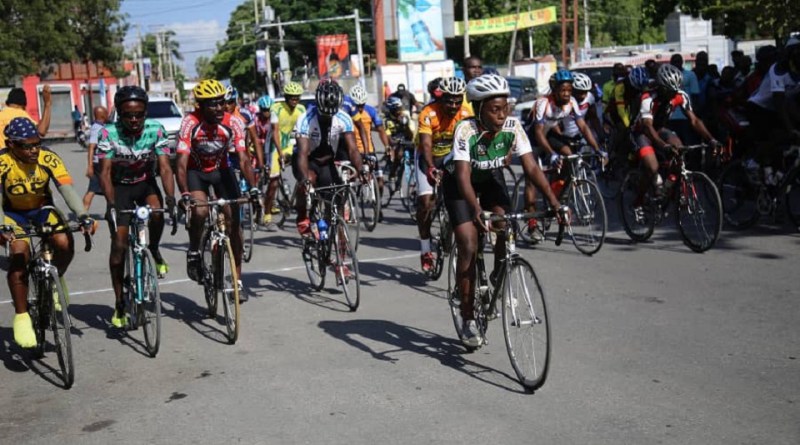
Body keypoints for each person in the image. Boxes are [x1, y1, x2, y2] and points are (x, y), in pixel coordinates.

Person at [443, 74, 562, 347]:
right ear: (478, 109)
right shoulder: (466, 130)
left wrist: (555, 204)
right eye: (494, 110)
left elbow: (532, 167)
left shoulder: (513, 126)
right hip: (460, 188)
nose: (502, 114)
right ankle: (467, 315)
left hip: (490, 180)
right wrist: (476, 211)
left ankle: (498, 276)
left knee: (505, 226)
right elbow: (462, 176)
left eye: (505, 107)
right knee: (469, 245)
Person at [0, 117, 95, 348]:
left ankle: (54, 278)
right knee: (20, 256)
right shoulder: (3, 161)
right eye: (27, 146)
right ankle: (22, 317)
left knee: (64, 243)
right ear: (11, 145)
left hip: (43, 209)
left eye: (37, 144)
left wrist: (83, 215)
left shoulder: (47, 157)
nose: (34, 150)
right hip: (13, 214)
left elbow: (66, 189)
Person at [98, 86, 176, 328]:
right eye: (128, 115)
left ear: (145, 112)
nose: (134, 120)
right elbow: (105, 172)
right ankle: (120, 301)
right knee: (119, 245)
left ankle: (153, 248)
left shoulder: (156, 129)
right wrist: (111, 205)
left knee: (157, 214)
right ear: (119, 114)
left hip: (145, 183)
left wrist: (171, 198)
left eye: (139, 114)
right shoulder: (108, 133)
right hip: (119, 187)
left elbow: (164, 167)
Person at [176, 79, 259, 297]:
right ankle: (194, 250)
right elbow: (181, 163)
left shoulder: (234, 122)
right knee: (201, 210)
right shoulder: (190, 122)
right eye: (212, 104)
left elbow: (243, 159)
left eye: (221, 102)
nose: (219, 108)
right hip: (196, 172)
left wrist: (253, 188)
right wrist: (185, 194)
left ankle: (237, 280)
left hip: (221, 171)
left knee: (235, 225)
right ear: (200, 106)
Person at [293, 80, 365, 277]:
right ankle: (303, 217)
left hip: (327, 162)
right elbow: (302, 154)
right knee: (306, 180)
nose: (328, 117)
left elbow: (352, 149)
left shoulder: (343, 117)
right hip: (307, 160)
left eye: (331, 113)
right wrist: (305, 181)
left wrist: (361, 170)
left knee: (337, 206)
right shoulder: (305, 119)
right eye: (325, 113)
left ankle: (340, 260)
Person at [527, 69, 603, 242]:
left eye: (570, 90)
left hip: (549, 133)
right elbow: (538, 133)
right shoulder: (543, 103)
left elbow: (583, 127)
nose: (567, 94)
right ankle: (531, 223)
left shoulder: (571, 103)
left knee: (570, 155)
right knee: (531, 178)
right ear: (554, 91)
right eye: (563, 91)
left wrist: (597, 148)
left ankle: (556, 190)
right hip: (533, 137)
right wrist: (552, 154)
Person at [631, 63, 719, 208]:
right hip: (641, 132)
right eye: (669, 90)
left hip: (659, 129)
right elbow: (647, 126)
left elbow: (694, 120)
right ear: (660, 86)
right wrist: (663, 145)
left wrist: (711, 139)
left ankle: (667, 187)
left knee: (680, 149)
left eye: (675, 90)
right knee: (653, 167)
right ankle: (638, 202)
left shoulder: (680, 95)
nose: (673, 94)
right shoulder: (647, 97)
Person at [416, 76, 472, 273]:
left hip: (451, 157)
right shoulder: (428, 112)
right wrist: (431, 167)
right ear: (442, 98)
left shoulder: (466, 112)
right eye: (449, 101)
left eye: (458, 101)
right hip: (428, 157)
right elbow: (426, 144)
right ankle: (425, 249)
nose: (454, 105)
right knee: (426, 203)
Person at [745, 36, 800, 181]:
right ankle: (754, 163)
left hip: (778, 108)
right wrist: (790, 128)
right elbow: (779, 101)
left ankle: (775, 175)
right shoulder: (778, 69)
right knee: (776, 136)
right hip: (758, 107)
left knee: (788, 141)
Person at [268, 82, 307, 225]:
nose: (295, 101)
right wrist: (280, 153)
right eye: (292, 98)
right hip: (276, 146)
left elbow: (305, 130)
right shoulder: (276, 109)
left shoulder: (302, 109)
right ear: (286, 97)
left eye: (297, 98)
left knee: (304, 173)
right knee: (273, 181)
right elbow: (275, 133)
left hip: (293, 145)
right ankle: (267, 211)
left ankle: (298, 199)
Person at [347, 84, 391, 192]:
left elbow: (380, 129)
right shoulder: (347, 112)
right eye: (358, 105)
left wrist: (387, 146)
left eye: (363, 104)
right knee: (352, 179)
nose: (360, 108)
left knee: (380, 183)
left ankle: (378, 208)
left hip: (369, 150)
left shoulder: (371, 111)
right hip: (354, 150)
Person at [225, 86, 265, 175]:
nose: (227, 106)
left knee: (251, 185)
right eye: (224, 103)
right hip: (225, 156)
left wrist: (261, 164)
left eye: (230, 102)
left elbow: (255, 139)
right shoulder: (218, 116)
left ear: (235, 101)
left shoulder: (245, 114)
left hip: (243, 154)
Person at [254, 95, 280, 231]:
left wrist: (280, 153)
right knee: (255, 183)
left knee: (273, 181)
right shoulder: (255, 118)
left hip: (269, 150)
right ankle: (256, 212)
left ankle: (268, 216)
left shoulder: (273, 117)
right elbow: (249, 138)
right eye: (264, 110)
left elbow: (275, 135)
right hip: (255, 150)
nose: (266, 113)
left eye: (268, 110)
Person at [667, 54, 701, 146]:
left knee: (687, 143)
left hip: (685, 116)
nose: (676, 64)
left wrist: (694, 114)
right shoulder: (667, 77)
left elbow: (695, 95)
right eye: (674, 62)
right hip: (670, 116)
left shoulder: (690, 75)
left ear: (682, 62)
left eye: (678, 61)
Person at [383, 96, 416, 183]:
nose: (400, 111)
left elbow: (411, 134)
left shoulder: (404, 117)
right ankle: (393, 172)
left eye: (400, 108)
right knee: (399, 154)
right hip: (394, 141)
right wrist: (393, 143)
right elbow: (388, 137)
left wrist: (405, 124)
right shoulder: (387, 121)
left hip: (406, 140)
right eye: (398, 109)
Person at [83, 106, 108, 210]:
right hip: (99, 164)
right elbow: (91, 147)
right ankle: (83, 213)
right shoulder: (96, 128)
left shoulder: (101, 126)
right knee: (92, 189)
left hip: (103, 163)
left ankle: (112, 210)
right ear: (102, 115)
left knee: (108, 188)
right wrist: (90, 166)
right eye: (106, 113)